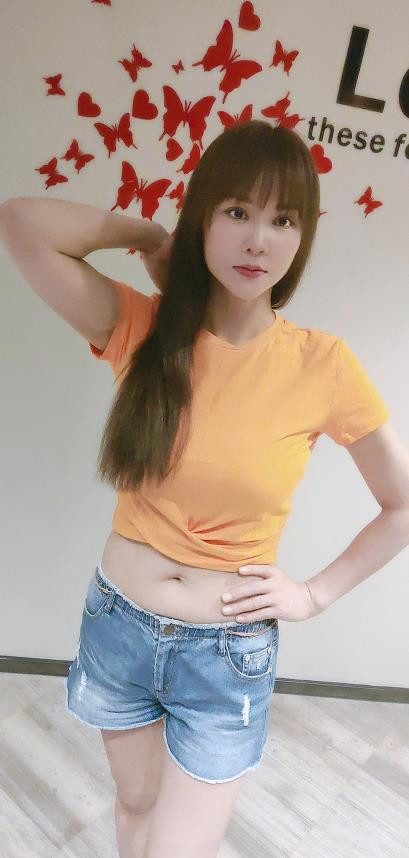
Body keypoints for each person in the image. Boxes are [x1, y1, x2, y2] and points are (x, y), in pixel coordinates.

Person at [1, 119, 403, 858]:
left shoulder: (322, 364)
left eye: (283, 220)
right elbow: (22, 223)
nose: (258, 240)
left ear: (302, 238)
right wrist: (149, 235)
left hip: (224, 657)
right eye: (237, 211)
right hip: (117, 626)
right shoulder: (145, 327)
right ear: (203, 219)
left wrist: (313, 595)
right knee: (134, 806)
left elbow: (401, 505)